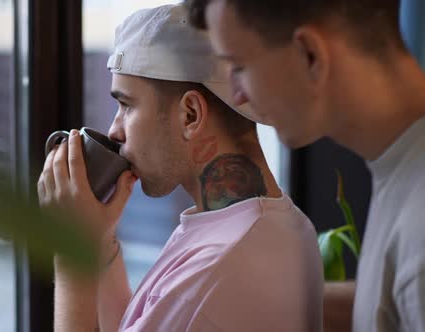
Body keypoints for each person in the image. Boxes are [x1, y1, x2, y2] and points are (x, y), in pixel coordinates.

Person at [38, 4, 323, 331]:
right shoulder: (277, 226)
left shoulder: (217, 264)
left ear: (190, 115)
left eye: (126, 105)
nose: (115, 130)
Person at [185, 0, 425, 331]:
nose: (238, 95)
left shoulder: (418, 228)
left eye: (239, 67)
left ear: (309, 55)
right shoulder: (402, 164)